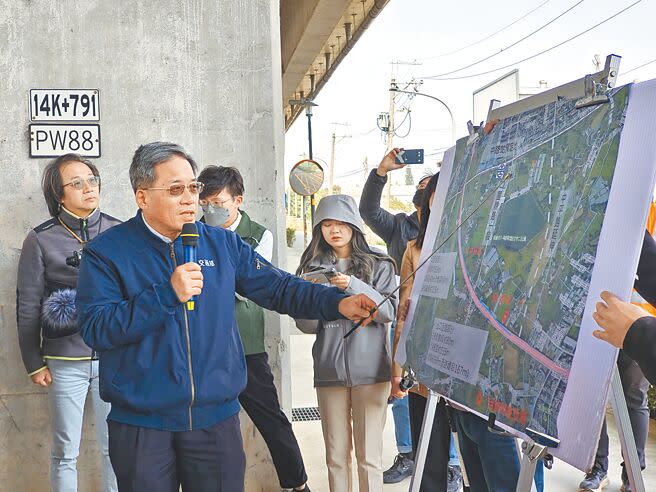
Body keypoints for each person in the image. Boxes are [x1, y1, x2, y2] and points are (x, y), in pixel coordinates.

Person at [76, 142, 377, 492]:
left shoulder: (222, 244)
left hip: (215, 420)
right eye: (176, 190)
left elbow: (279, 288)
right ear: (142, 197)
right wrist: (165, 295)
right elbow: (97, 328)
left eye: (193, 188)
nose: (190, 199)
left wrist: (335, 302)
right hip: (142, 425)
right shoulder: (106, 252)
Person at [197, 165, 309, 491]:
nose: (210, 209)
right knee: (205, 425)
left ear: (238, 200)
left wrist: (211, 279)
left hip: (246, 344)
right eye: (205, 202)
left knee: (271, 418)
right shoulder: (191, 231)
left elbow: (245, 285)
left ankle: (297, 483)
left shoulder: (258, 234)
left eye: (218, 202)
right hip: (204, 344)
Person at [16, 154, 120, 492]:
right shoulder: (41, 239)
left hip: (115, 358)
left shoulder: (119, 232)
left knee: (116, 448)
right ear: (58, 195)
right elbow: (28, 304)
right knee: (65, 452)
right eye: (77, 183)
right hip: (64, 361)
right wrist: (34, 363)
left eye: (92, 179)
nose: (89, 188)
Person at [295, 194, 397, 492]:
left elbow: (387, 311)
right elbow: (306, 325)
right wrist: (313, 296)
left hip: (371, 373)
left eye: (340, 223)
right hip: (329, 372)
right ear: (319, 229)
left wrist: (350, 284)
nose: (334, 230)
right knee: (335, 457)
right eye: (327, 224)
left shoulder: (380, 263)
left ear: (354, 224)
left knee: (369, 458)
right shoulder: (310, 267)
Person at [359, 147, 432, 483]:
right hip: (402, 317)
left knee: (435, 394)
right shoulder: (398, 228)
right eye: (427, 185)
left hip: (437, 323)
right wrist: (381, 171)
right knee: (400, 389)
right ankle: (407, 454)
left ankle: (446, 463)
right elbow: (368, 210)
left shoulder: (450, 227)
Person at [390, 172, 463, 492]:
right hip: (423, 369)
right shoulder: (413, 250)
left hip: (465, 372)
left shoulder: (476, 245)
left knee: (473, 459)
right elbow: (403, 314)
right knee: (428, 456)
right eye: (437, 193)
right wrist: (397, 371)